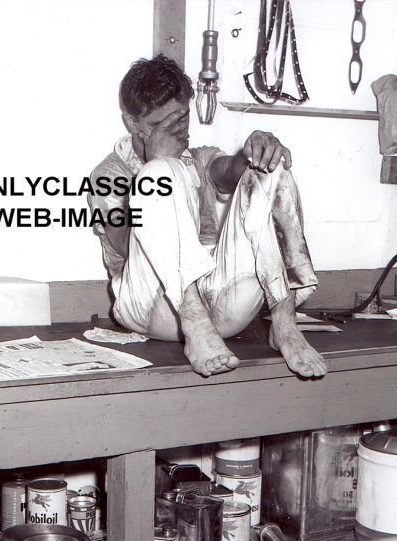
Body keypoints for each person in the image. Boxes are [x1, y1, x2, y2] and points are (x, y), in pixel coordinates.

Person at [88, 55, 326, 379]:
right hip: (151, 306)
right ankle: (194, 323)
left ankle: (284, 322)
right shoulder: (108, 174)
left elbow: (228, 170)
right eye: (162, 124)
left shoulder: (197, 158)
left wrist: (255, 150)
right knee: (160, 172)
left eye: (182, 118)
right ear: (132, 124)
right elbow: (126, 247)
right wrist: (154, 166)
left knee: (269, 167)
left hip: (217, 301)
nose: (178, 131)